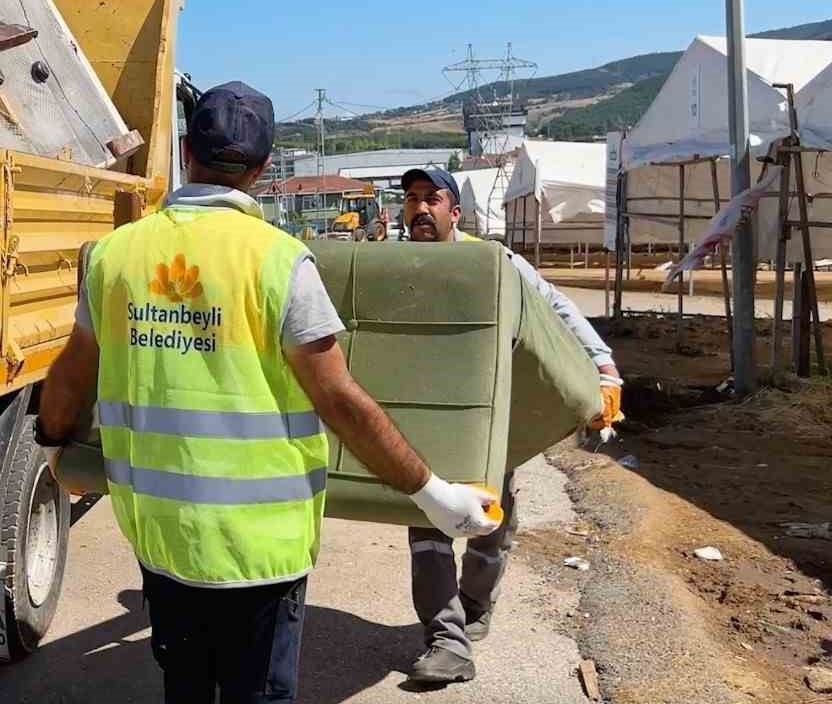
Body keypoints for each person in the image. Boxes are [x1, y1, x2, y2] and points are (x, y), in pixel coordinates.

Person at [34, 82, 501, 704]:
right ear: (260, 168)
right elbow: (339, 400)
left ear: (185, 152)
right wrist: (432, 493)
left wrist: (53, 439)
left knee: (187, 688)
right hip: (260, 549)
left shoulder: (114, 256)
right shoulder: (280, 261)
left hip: (162, 535)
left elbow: (71, 373)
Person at [398, 166, 622, 685]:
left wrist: (603, 366)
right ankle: (445, 638)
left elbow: (556, 307)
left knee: (490, 521)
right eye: (411, 199)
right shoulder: (394, 264)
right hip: (426, 415)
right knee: (426, 522)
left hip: (488, 414)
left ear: (455, 212)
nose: (420, 208)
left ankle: (474, 608)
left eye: (432, 198)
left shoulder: (493, 261)